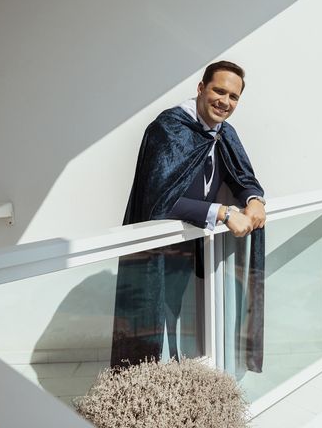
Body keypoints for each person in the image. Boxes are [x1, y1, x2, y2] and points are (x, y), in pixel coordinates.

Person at [110, 61, 266, 371]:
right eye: (218, 91)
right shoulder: (168, 128)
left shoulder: (224, 133)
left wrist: (254, 198)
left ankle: (192, 390)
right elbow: (159, 201)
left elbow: (241, 175)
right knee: (150, 332)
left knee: (189, 332)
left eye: (233, 97)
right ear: (201, 88)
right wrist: (222, 213)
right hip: (157, 253)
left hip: (196, 253)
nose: (225, 102)